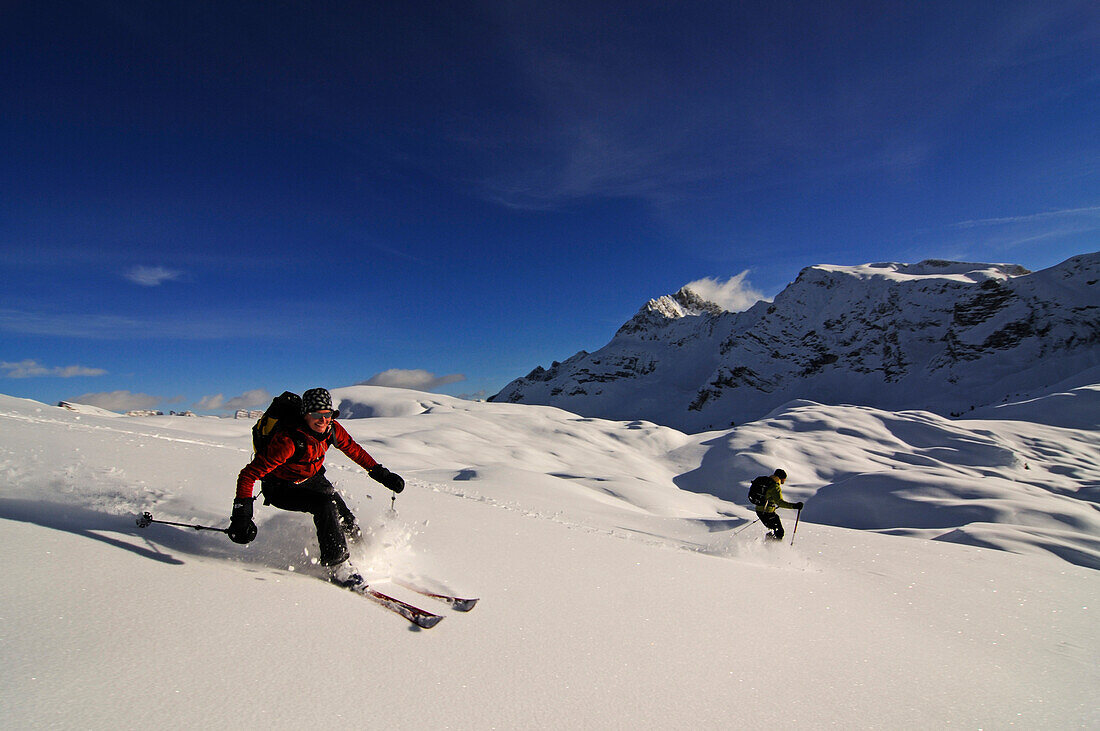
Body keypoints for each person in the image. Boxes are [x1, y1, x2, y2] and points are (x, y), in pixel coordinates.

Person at [227, 387, 406, 587]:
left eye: (327, 414)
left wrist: (382, 475)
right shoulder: (288, 441)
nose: (323, 420)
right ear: (305, 415)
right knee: (325, 505)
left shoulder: (332, 429)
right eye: (316, 415)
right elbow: (248, 475)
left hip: (311, 478)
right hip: (280, 487)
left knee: (343, 514)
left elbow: (353, 450)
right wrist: (242, 516)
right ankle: (338, 566)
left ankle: (361, 553)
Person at [752, 468, 803, 541]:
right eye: (784, 479)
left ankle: (768, 543)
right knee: (779, 532)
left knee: (776, 529)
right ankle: (771, 548)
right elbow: (780, 502)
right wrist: (795, 506)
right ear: (782, 478)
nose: (784, 481)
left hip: (761, 510)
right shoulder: (775, 487)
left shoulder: (768, 483)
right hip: (766, 512)